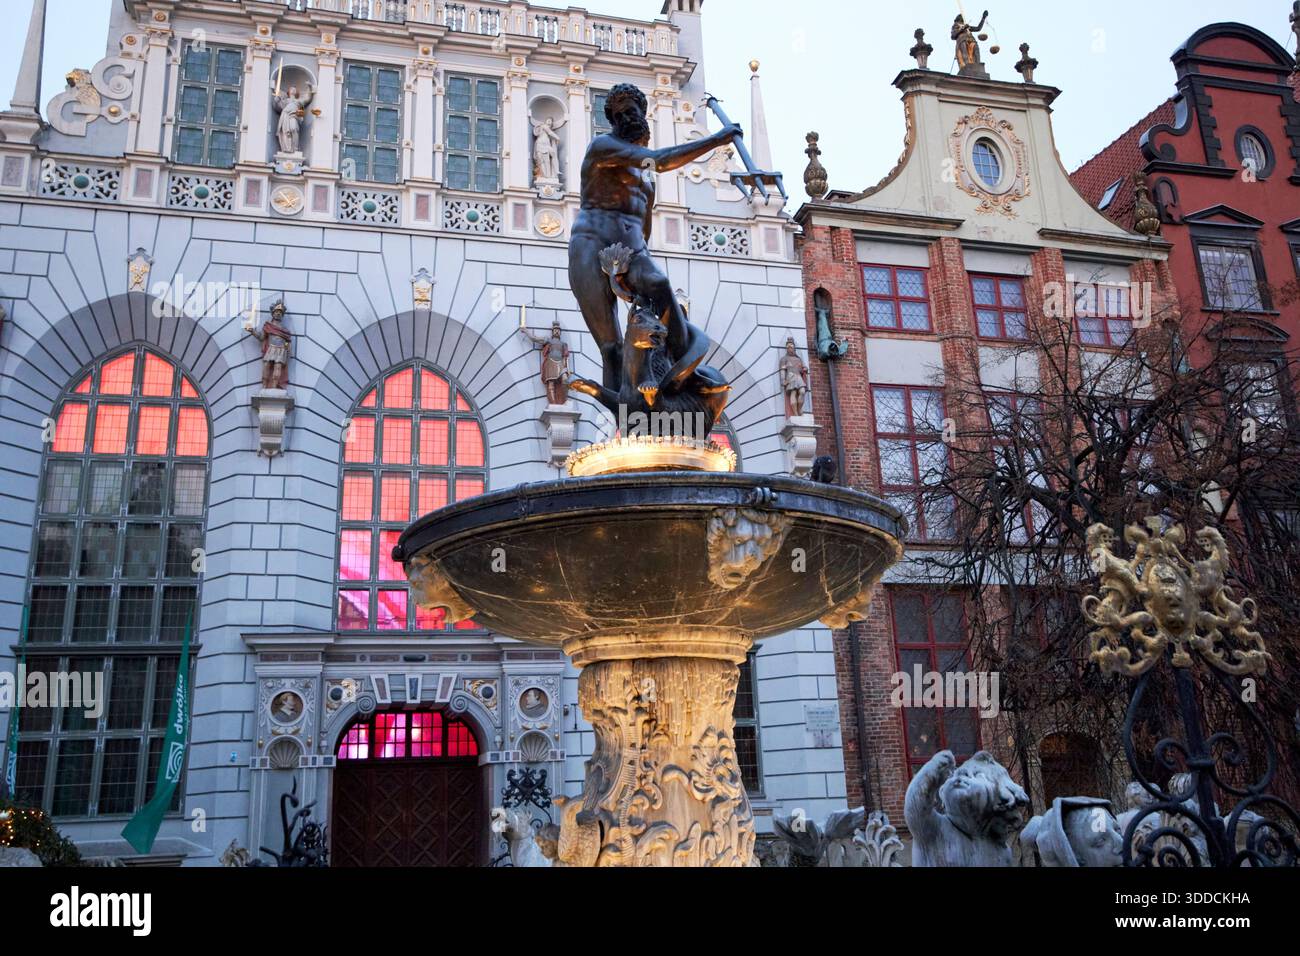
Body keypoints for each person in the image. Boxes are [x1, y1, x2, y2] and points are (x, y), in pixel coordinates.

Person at [568, 83, 740, 393]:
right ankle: (624, 421)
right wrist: (716, 140)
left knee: (658, 285)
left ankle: (684, 367)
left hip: (632, 248)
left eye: (630, 111)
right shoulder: (602, 148)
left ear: (643, 114)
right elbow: (660, 161)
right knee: (611, 346)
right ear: (611, 120)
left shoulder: (644, 177)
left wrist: (632, 273)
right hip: (591, 245)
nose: (625, 118)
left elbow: (644, 224)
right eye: (618, 114)